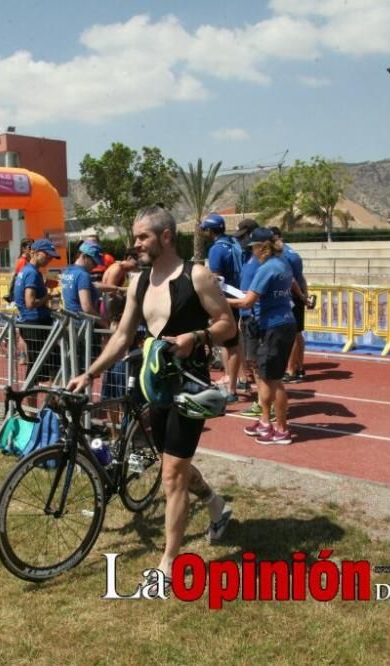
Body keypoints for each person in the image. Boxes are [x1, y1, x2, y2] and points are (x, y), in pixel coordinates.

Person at [67, 205, 236, 578]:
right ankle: (214, 503)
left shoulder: (198, 276)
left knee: (173, 474)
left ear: (166, 237)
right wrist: (89, 373)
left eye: (142, 236)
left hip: (189, 387)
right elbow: (122, 336)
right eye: (135, 236)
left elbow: (227, 323)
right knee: (172, 464)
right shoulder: (139, 283)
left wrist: (198, 336)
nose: (135, 243)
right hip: (155, 385)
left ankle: (169, 563)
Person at [227, 227, 297, 445]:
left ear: (262, 247)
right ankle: (266, 421)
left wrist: (220, 301)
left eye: (254, 247)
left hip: (274, 327)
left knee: (273, 380)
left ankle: (282, 429)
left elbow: (247, 302)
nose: (252, 252)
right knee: (265, 377)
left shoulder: (267, 268)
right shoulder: (283, 262)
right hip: (282, 324)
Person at [200, 213, 244, 402]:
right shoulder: (233, 243)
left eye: (204, 229)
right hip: (239, 294)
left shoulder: (217, 249)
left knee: (230, 344)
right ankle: (238, 378)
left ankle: (231, 386)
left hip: (227, 298)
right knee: (234, 342)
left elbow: (216, 279)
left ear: (210, 230)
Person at [13, 238, 61, 384]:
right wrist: (49, 296)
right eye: (47, 255)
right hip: (35, 324)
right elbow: (30, 302)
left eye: (51, 256)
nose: (49, 259)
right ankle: (47, 402)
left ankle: (45, 401)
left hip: (32, 322)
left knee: (42, 365)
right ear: (34, 252)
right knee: (45, 366)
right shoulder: (32, 273)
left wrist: (44, 287)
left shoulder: (29, 271)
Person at [270, 227, 308, 382]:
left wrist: (301, 296)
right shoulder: (292, 252)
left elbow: (292, 279)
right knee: (297, 333)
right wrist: (305, 295)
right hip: (296, 297)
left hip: (290, 298)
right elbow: (301, 277)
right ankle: (299, 367)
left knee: (291, 335)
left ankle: (291, 370)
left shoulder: (282, 255)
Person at [61, 241, 105, 375]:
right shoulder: (83, 275)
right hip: (82, 328)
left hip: (70, 324)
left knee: (70, 369)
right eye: (94, 262)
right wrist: (104, 322)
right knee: (82, 371)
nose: (95, 266)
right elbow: (86, 306)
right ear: (84, 256)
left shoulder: (68, 271)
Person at [232, 219, 262, 414]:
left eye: (243, 236)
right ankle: (262, 402)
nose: (241, 241)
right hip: (247, 314)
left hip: (254, 315)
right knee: (253, 362)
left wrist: (224, 300)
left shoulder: (261, 261)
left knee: (257, 363)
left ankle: (263, 403)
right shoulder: (249, 257)